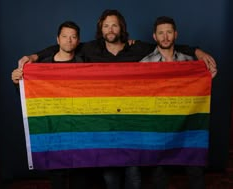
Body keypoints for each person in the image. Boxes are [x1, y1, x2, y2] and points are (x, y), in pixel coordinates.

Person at [14, 10, 217, 189]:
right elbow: (63, 47)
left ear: (121, 28)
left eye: (114, 25)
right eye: (106, 25)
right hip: (103, 127)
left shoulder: (137, 49)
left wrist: (198, 52)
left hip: (131, 127)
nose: (110, 29)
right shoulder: (90, 49)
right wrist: (33, 58)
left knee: (134, 177)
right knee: (110, 179)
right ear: (100, 29)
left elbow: (166, 45)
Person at [12, 21, 90, 189]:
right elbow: (31, 98)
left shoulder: (85, 64)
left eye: (73, 37)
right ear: (57, 39)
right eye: (64, 36)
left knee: (81, 180)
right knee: (57, 180)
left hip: (79, 132)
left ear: (78, 41)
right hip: (54, 132)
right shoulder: (41, 67)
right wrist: (18, 83)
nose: (69, 40)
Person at [140, 16, 209, 189]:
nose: (165, 37)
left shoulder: (190, 62)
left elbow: (201, 84)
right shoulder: (144, 64)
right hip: (159, 129)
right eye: (161, 33)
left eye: (169, 32)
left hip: (186, 127)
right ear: (154, 36)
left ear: (175, 34)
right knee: (159, 175)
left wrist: (207, 77)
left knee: (195, 171)